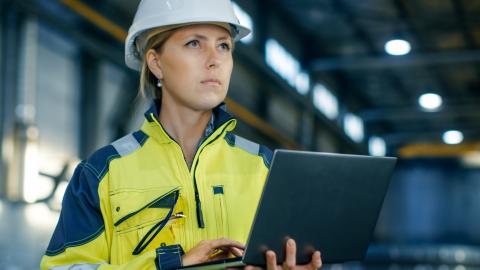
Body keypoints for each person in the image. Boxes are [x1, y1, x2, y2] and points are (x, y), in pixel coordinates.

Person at [40, 0, 322, 269]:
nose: (215, 60)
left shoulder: (266, 167)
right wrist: (170, 264)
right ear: (156, 62)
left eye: (224, 46)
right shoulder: (101, 174)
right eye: (194, 43)